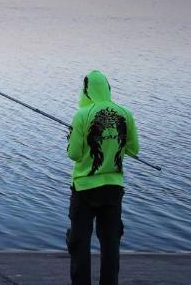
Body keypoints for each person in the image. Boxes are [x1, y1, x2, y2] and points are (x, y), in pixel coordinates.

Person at [66, 70, 139, 285]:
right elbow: (134, 150)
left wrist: (72, 137)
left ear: (86, 90)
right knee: (110, 244)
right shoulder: (126, 113)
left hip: (84, 190)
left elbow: (74, 154)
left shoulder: (82, 115)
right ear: (108, 88)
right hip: (113, 189)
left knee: (80, 244)